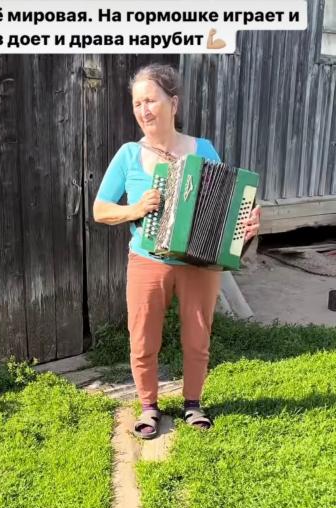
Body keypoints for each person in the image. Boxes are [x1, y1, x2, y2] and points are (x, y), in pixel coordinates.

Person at [93, 64, 260, 438]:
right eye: (137, 103)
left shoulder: (203, 149)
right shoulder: (128, 155)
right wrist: (136, 210)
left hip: (200, 263)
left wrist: (247, 224)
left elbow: (229, 202)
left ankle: (192, 404)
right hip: (148, 261)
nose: (143, 110)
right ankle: (149, 407)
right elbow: (100, 209)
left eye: (150, 100)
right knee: (143, 338)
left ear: (174, 102)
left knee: (198, 336)